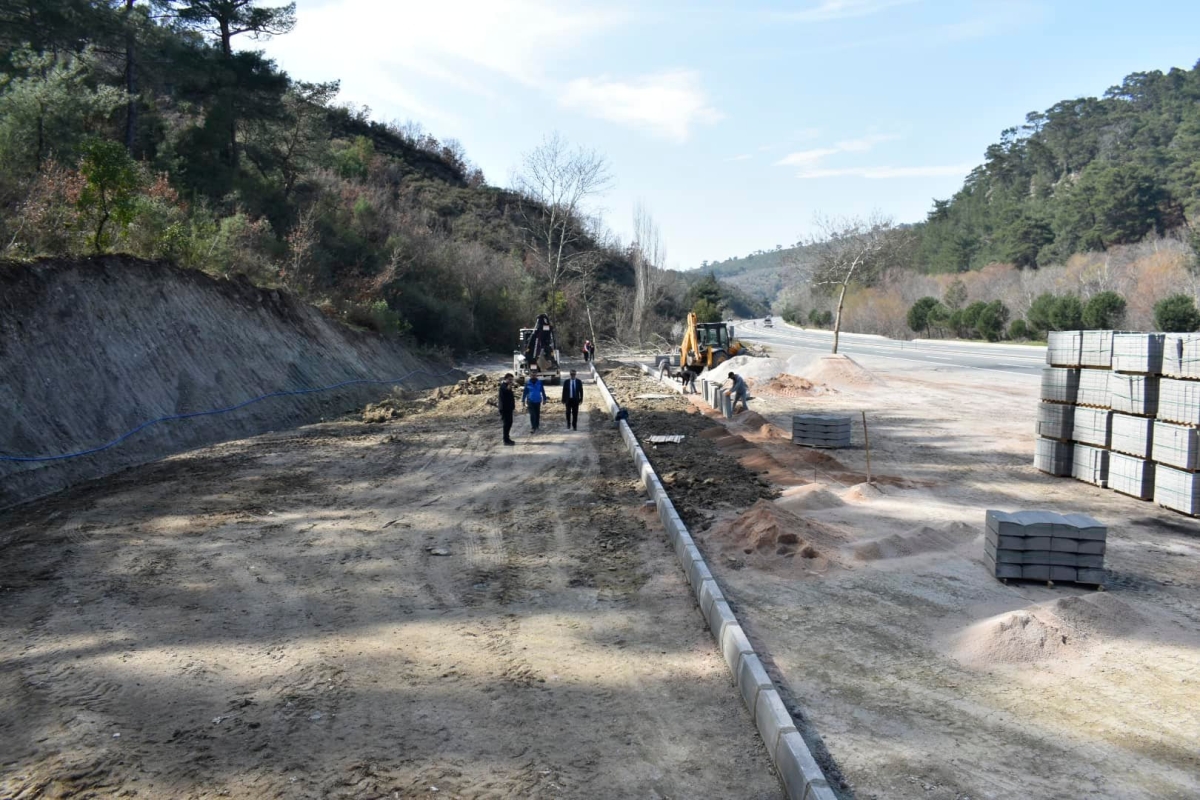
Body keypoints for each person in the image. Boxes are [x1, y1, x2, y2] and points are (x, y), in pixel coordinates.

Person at [498, 373, 516, 445]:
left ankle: (507, 438)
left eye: (512, 379)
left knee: (509, 423)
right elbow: (506, 390)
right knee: (506, 424)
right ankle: (505, 440)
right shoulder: (503, 386)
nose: (511, 381)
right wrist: (510, 385)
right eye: (509, 379)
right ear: (505, 379)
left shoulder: (507, 386)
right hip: (504, 409)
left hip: (509, 408)